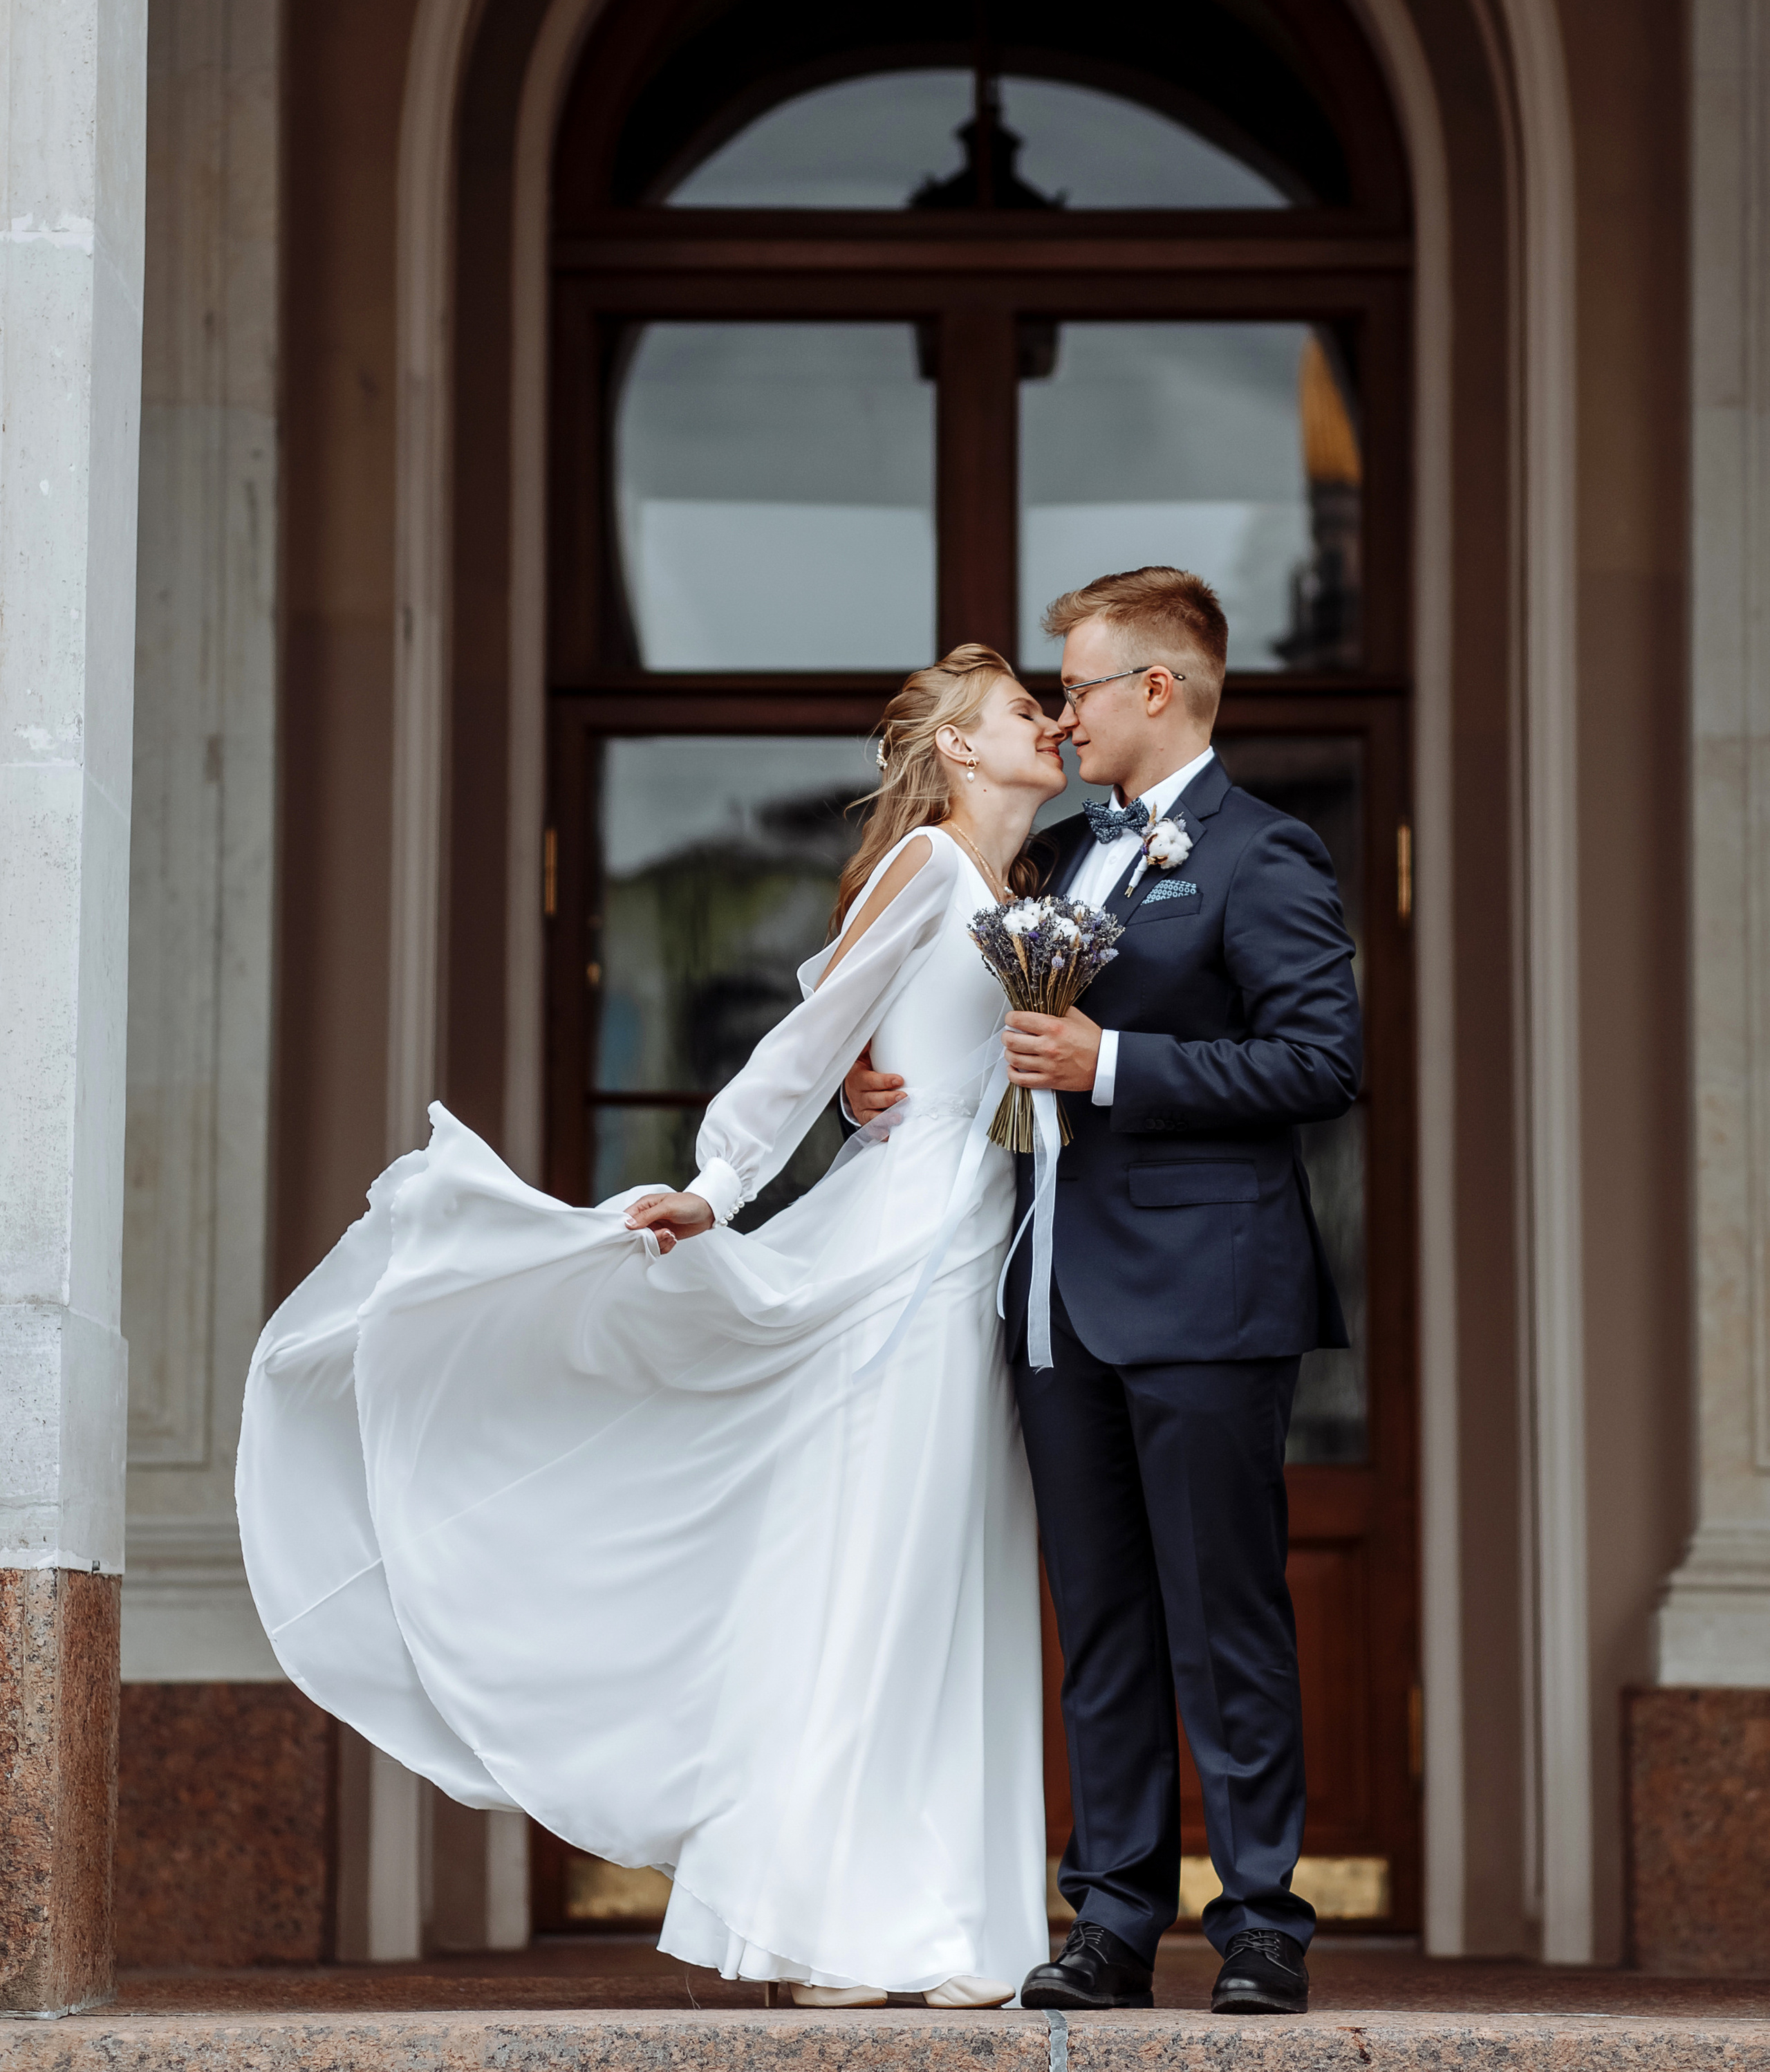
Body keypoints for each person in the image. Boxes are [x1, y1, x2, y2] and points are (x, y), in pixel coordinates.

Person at [237, 645, 1068, 2008]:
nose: (1047, 726)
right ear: (961, 752)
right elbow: (809, 1038)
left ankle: (942, 1925)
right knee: (882, 1577)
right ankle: (832, 1932)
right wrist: (722, 1183)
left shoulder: (1014, 888)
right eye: (1020, 714)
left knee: (943, 1579)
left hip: (979, 1242)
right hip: (902, 1256)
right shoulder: (928, 868)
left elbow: (908, 1034)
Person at [849, 567, 1360, 2017]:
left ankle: (1260, 1923)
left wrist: (1113, 1067)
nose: (1059, 712)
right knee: (1104, 1623)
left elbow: (1320, 1063)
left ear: (1158, 690)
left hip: (1207, 1295)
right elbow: (967, 1020)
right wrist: (873, 1085)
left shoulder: (1264, 856)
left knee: (1226, 1617)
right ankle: (1111, 1923)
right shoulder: (1062, 849)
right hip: (1050, 1293)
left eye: (1074, 686)